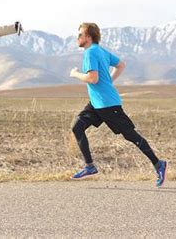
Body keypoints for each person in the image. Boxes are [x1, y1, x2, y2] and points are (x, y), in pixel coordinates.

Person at [69, 22, 167, 187]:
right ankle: (90, 166)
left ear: (88, 36)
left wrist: (75, 74)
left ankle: (159, 164)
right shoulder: (101, 51)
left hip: (108, 104)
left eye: (80, 34)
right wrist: (109, 82)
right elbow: (121, 65)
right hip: (97, 103)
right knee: (77, 126)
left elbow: (93, 78)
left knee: (130, 135)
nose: (77, 38)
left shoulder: (90, 53)